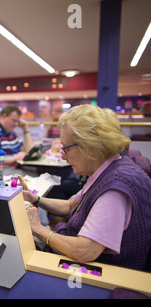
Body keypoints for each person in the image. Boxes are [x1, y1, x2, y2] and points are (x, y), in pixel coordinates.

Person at [23, 104, 151, 271]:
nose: (62, 156)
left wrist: (37, 229)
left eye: (65, 148)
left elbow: (84, 250)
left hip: (105, 276)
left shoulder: (114, 190)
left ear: (89, 147)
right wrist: (36, 199)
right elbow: (70, 206)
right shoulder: (111, 168)